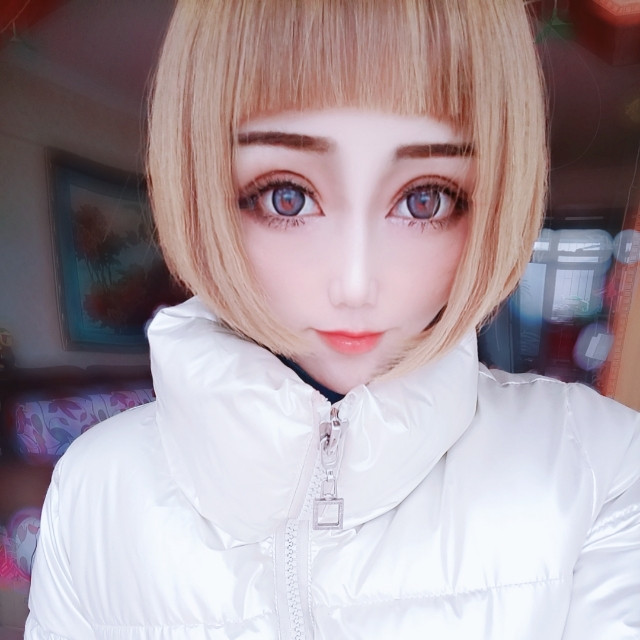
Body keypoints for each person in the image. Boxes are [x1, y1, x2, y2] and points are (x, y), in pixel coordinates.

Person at [25, 0, 640, 638]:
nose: (355, 285)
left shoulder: (600, 467)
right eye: (286, 196)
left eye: (424, 199)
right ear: (202, 188)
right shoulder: (94, 490)